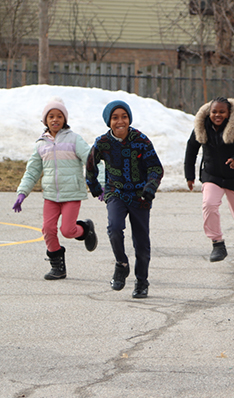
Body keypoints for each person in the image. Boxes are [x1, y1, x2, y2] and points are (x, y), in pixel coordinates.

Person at [13, 98, 98, 280]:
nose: (55, 119)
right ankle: (57, 267)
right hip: (51, 196)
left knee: (67, 230)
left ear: (64, 119)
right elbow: (32, 171)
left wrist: (102, 183)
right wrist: (22, 193)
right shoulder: (40, 144)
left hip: (72, 194)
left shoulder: (74, 139)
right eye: (51, 116)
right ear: (45, 120)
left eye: (59, 116)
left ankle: (85, 229)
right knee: (48, 229)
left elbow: (91, 161)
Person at [86, 100, 163, 298]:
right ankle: (121, 264)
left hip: (140, 196)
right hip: (116, 192)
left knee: (141, 242)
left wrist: (150, 188)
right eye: (115, 118)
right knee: (114, 228)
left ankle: (142, 281)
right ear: (108, 121)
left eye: (124, 117)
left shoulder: (141, 140)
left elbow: (155, 167)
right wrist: (94, 187)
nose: (120, 121)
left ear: (129, 119)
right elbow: (90, 165)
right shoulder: (102, 142)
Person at [184, 96, 234, 268]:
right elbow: (191, 149)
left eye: (222, 112)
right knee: (209, 204)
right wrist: (189, 175)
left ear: (229, 113)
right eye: (214, 112)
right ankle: (217, 243)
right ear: (209, 113)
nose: (217, 115)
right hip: (212, 176)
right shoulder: (202, 127)